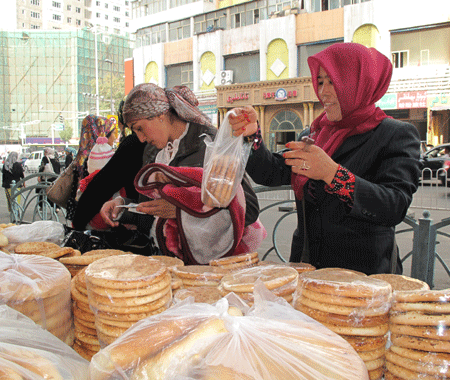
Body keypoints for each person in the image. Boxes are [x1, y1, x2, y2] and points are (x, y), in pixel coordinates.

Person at [229, 43, 421, 275]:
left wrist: (333, 174)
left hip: (362, 277)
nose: (324, 92)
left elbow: (394, 205)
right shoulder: (314, 134)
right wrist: (252, 136)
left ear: (357, 83)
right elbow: (272, 172)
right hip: (308, 266)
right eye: (320, 82)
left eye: (333, 81)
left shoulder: (393, 134)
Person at [96, 83, 264, 264]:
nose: (141, 138)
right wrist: (123, 207)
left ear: (160, 115)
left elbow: (249, 210)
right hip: (167, 259)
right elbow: (152, 215)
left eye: (139, 128)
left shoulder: (210, 144)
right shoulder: (153, 153)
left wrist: (182, 212)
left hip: (208, 265)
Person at [65, 115, 113, 221]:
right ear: (102, 133)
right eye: (111, 132)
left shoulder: (82, 155)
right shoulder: (97, 156)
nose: (114, 136)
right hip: (96, 216)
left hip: (82, 215)